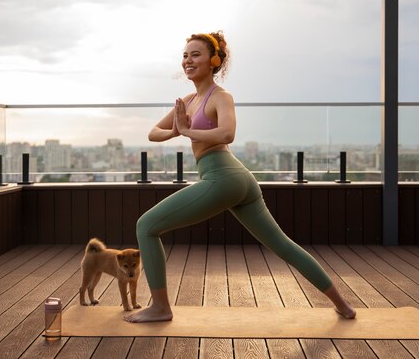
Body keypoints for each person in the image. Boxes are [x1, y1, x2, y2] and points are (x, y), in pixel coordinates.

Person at [124, 31, 356, 323]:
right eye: (185, 55)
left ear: (214, 61)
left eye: (196, 54)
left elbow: (227, 133)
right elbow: (153, 133)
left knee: (146, 226)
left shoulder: (221, 97)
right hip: (236, 179)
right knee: (283, 245)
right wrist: (176, 130)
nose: (188, 60)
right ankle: (343, 306)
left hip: (223, 176)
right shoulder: (188, 100)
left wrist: (188, 132)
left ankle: (160, 308)